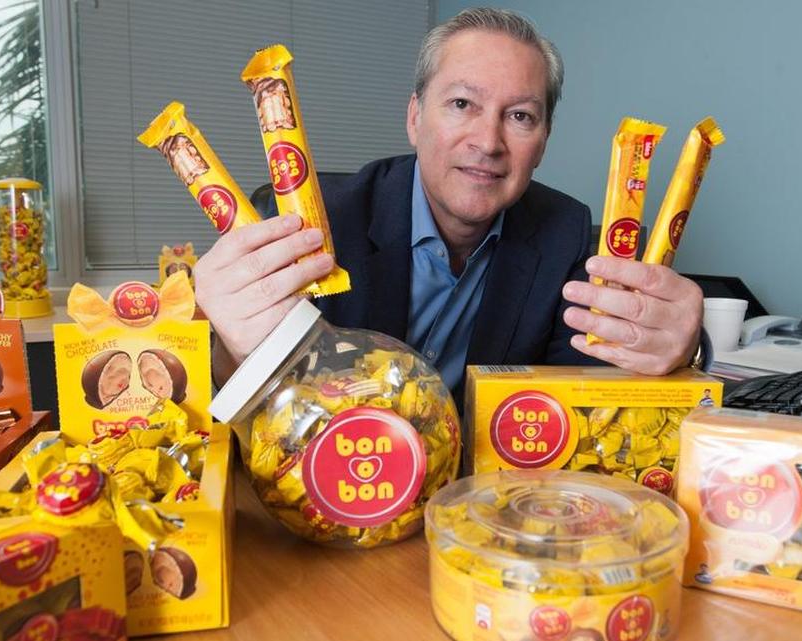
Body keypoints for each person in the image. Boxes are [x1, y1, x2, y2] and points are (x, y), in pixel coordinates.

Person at [196, 7, 706, 402]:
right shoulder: (317, 217)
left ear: (544, 141)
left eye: (521, 117)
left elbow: (591, 385)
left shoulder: (563, 229)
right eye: (462, 104)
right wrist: (228, 352)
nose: (488, 141)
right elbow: (244, 403)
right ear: (415, 118)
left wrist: (680, 349)